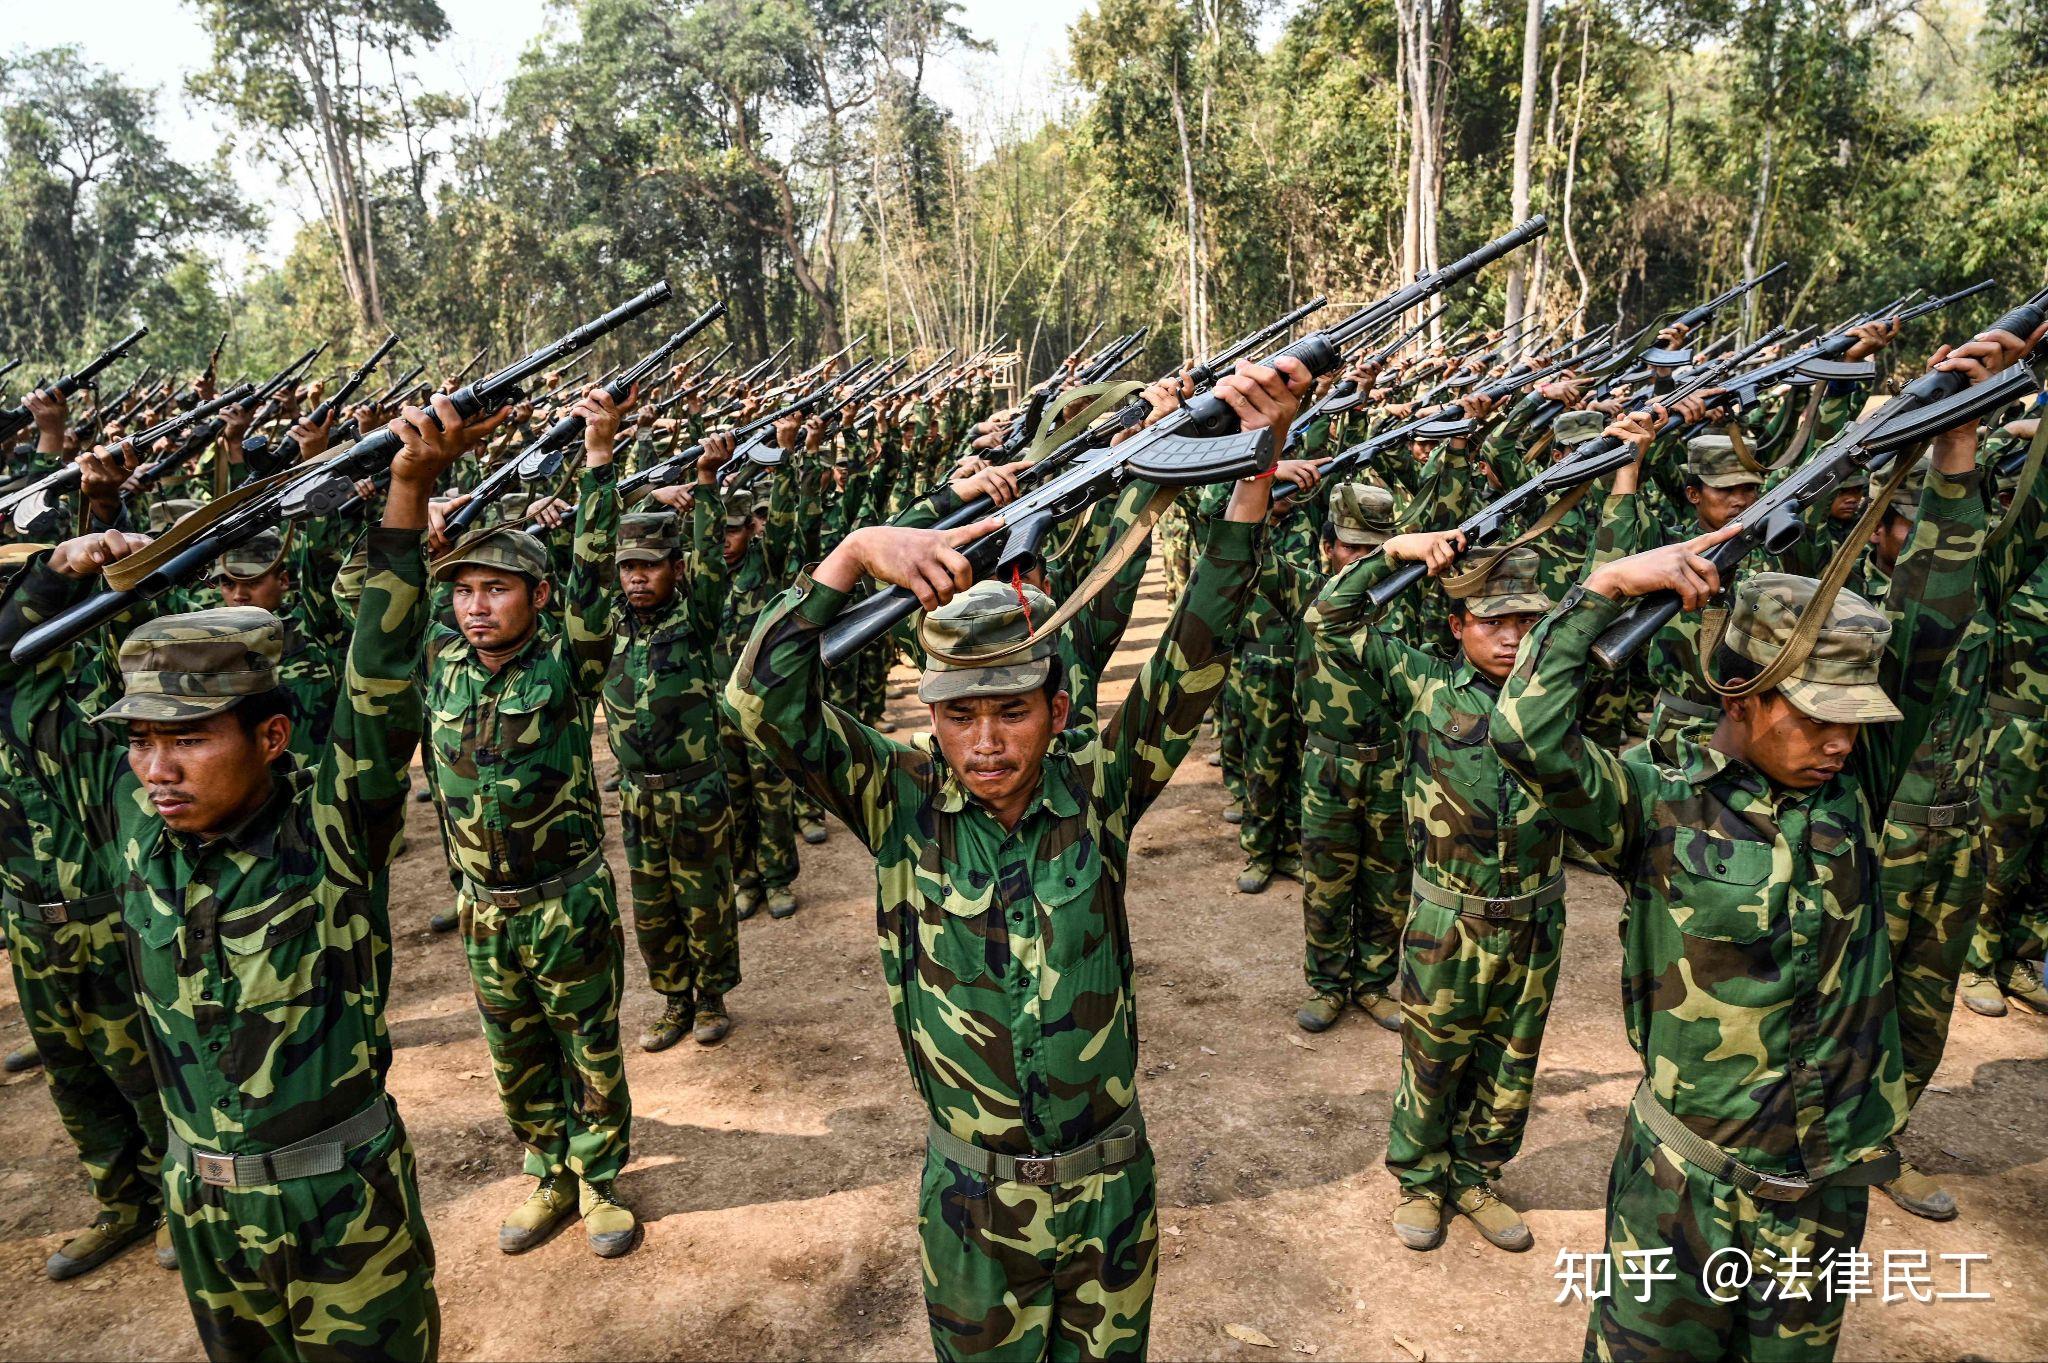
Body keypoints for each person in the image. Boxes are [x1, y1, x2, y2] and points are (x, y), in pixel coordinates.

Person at [725, 357, 1306, 1361]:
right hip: (970, 1203)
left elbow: (1196, 645)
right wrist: (855, 552)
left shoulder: (1097, 787)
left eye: (1010, 709)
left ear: (1057, 708)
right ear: (928, 716)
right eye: (958, 714)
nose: (985, 740)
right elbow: (756, 701)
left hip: (1106, 1188)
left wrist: (1253, 471)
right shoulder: (897, 798)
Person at [1487, 322, 2026, 1361]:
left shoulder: (1855, 787)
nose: (1833, 742)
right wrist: (1599, 588)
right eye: (1809, 715)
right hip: (1679, 1192)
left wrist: (1955, 446)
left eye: (1849, 718)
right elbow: (1525, 733)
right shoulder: (1655, 802)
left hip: (1819, 1200)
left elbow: (1930, 616)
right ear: (1737, 690)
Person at [0, 388, 492, 1360]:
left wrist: (403, 493)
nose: (155, 768)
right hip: (201, 1207)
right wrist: (75, 554)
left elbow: (381, 679)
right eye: (139, 741)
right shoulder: (130, 826)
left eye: (187, 738)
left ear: (271, 737)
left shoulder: (331, 827)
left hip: (339, 1209)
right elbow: (31, 666)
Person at [424, 385, 639, 1259]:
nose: (477, 606)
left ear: (536, 596)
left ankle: (598, 1180)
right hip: (485, 904)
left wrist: (597, 459)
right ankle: (546, 1168)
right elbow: (369, 596)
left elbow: (594, 581)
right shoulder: (437, 667)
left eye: (497, 589)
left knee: (588, 1042)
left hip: (565, 900)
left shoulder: (565, 661)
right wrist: (410, 504)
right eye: (465, 590)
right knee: (512, 1048)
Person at [1335, 537, 1562, 1255]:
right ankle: (1421, 1179)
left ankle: (1476, 1176)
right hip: (1447, 917)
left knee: (1510, 1062)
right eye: (1493, 621)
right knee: (1433, 1057)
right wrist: (1393, 555)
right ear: (1459, 623)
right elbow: (1331, 619)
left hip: (1533, 919)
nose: (1511, 636)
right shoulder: (1426, 684)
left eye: (1525, 621)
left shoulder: (1557, 692)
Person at [603, 432, 742, 1052]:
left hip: (696, 790)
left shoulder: (696, 612)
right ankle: (673, 1000)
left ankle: (711, 997)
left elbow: (713, 563)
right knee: (652, 906)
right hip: (638, 796)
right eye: (627, 567)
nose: (637, 578)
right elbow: (574, 554)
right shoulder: (605, 627)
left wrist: (707, 483)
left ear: (674, 569)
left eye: (649, 566)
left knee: (704, 900)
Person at [1294, 482, 1408, 1033]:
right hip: (1330, 766)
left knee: (1390, 883)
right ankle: (1328, 984)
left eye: (1375, 548)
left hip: (1393, 763)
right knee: (1327, 883)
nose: (1362, 560)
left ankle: (1373, 982)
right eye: (1352, 548)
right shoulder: (1312, 597)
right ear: (1327, 547)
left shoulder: (1407, 605)